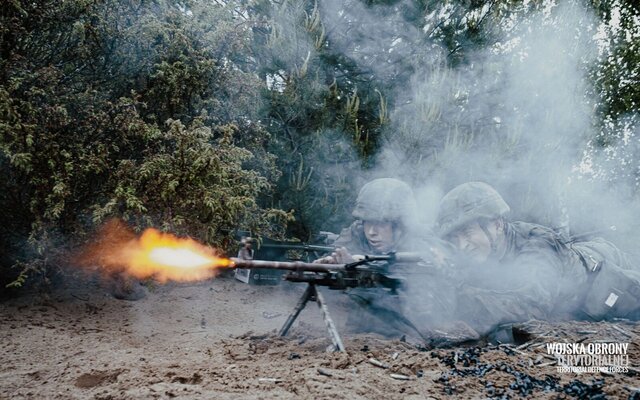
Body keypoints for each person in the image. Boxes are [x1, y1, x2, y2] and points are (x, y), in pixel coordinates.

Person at [436, 181, 640, 337]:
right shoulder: (481, 254)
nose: (462, 245)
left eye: (468, 231)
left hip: (606, 267)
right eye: (454, 238)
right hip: (575, 258)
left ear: (496, 225)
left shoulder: (538, 243)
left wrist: (458, 299)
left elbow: (530, 306)